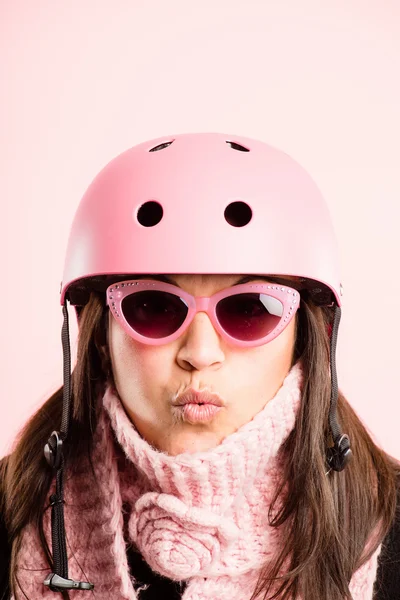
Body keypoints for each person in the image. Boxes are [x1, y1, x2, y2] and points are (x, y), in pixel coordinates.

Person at [0, 132, 399, 600]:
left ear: (307, 340)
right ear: (99, 335)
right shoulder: (11, 514)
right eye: (152, 306)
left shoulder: (387, 526)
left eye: (251, 309)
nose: (200, 353)